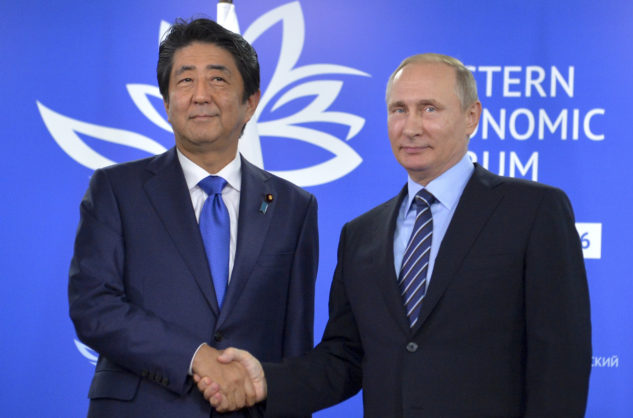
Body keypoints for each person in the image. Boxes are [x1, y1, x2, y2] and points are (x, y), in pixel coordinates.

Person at [197, 53, 592, 417]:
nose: (411, 127)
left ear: (472, 117)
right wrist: (266, 380)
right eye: (398, 110)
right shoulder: (361, 235)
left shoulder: (534, 211)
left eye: (429, 109)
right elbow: (346, 358)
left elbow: (560, 362)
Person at [68, 18, 318, 417]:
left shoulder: (293, 206)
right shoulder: (116, 190)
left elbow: (295, 342)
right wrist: (195, 357)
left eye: (218, 80)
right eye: (185, 81)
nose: (200, 95)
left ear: (250, 102)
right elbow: (93, 306)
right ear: (167, 103)